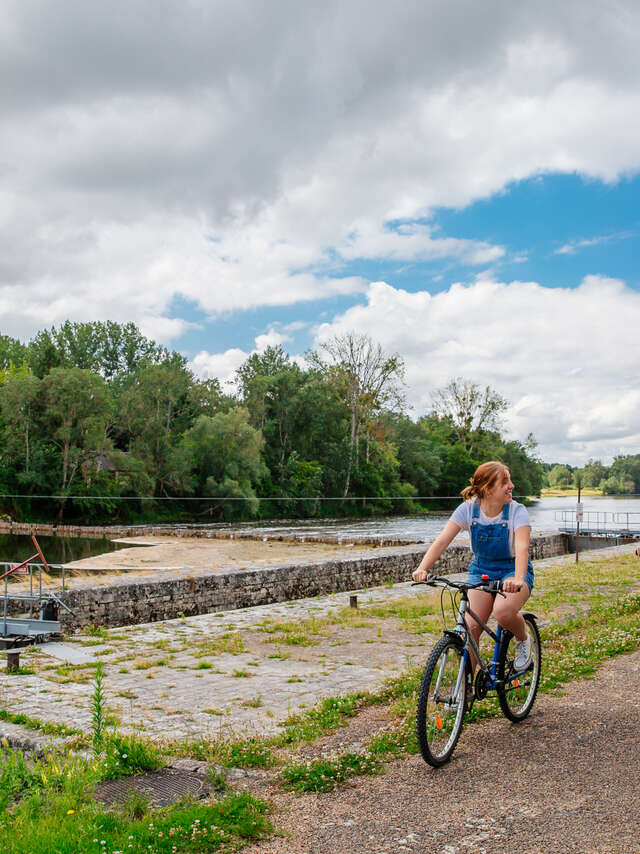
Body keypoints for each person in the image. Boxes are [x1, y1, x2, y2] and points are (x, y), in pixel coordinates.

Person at [412, 461, 533, 672]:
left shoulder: (517, 511)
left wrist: (519, 578)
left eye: (510, 480)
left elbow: (522, 549)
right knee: (470, 627)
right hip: (481, 570)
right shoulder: (468, 510)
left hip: (512, 569)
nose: (511, 485)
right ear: (488, 489)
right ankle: (465, 691)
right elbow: (442, 541)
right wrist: (423, 568)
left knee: (503, 612)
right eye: (505, 482)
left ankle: (523, 639)